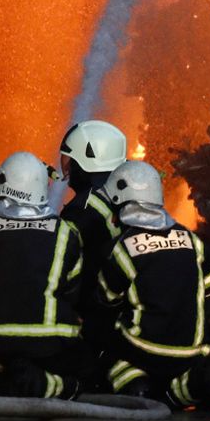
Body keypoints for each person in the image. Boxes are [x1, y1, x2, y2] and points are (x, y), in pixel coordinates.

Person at [96, 159, 210, 410]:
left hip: (142, 351)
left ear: (120, 201)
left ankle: (138, 388)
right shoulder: (194, 242)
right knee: (185, 368)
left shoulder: (123, 249)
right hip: (191, 353)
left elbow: (105, 302)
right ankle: (185, 389)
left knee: (102, 345)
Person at [0, 150, 89, 399]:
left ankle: (8, 376)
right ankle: (55, 386)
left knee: (9, 373)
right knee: (84, 371)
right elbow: (74, 291)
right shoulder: (66, 232)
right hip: (50, 337)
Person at [58, 119, 127, 386]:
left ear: (87, 159)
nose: (65, 167)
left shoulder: (81, 210)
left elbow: (66, 270)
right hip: (133, 317)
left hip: (98, 321)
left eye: (69, 159)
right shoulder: (126, 193)